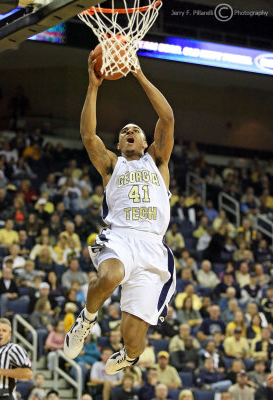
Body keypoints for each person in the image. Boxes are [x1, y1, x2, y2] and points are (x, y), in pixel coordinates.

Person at [64, 51, 175, 377]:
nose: (130, 131)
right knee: (110, 276)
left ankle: (129, 357)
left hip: (153, 247)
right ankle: (84, 322)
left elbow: (167, 119)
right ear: (119, 141)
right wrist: (93, 85)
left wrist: (139, 74)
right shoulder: (111, 164)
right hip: (121, 236)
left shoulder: (158, 161)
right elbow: (87, 136)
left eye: (136, 130)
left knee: (134, 338)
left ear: (144, 141)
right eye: (125, 130)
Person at [0, 318, 33, 399]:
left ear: (9, 335)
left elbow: (28, 373)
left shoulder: (14, 349)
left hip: (2, 396)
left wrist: (0, 371)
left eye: (4, 331)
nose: (0, 333)